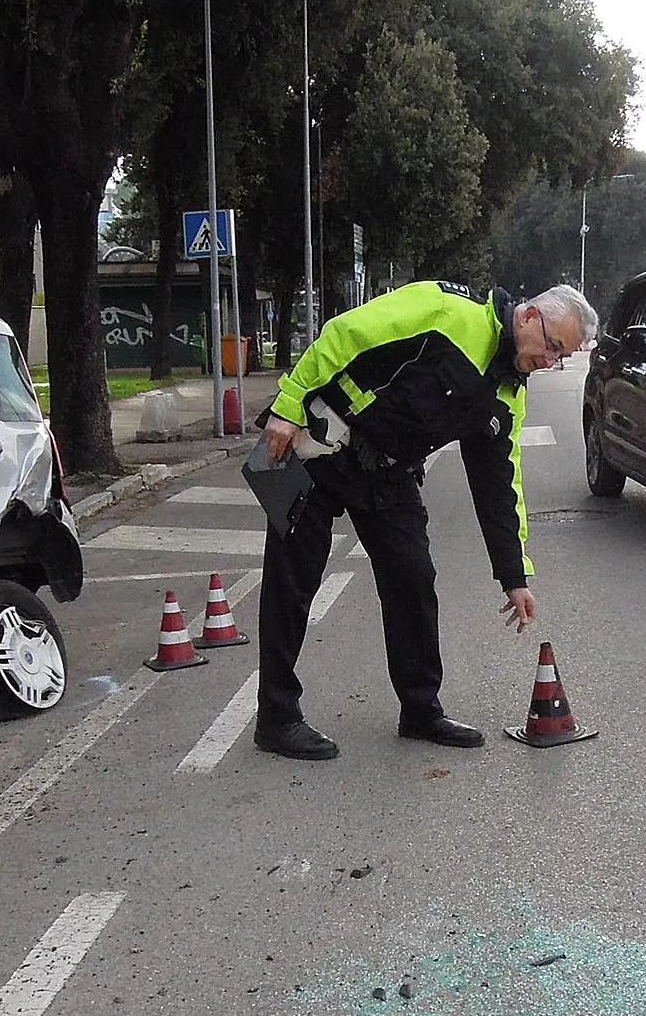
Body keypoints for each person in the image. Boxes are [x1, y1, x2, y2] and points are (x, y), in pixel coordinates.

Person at [252, 279, 596, 760]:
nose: (550, 361)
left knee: (412, 579)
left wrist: (514, 577)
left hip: (387, 473)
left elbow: (499, 487)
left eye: (561, 357)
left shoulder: (506, 392)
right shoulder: (447, 311)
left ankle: (420, 710)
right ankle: (277, 717)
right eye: (553, 347)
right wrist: (288, 404)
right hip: (321, 444)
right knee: (293, 582)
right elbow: (343, 333)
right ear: (526, 317)